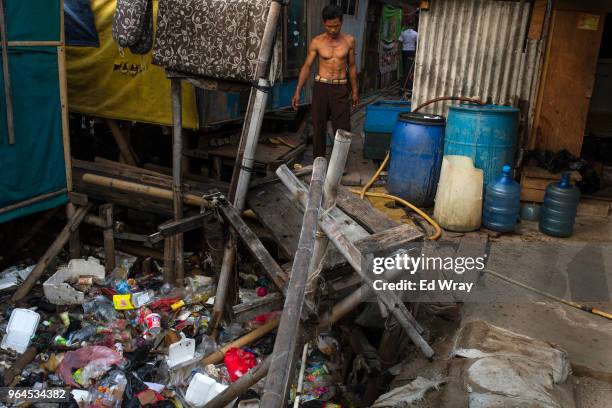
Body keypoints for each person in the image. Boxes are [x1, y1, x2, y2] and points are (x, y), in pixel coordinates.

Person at [291, 5, 359, 158]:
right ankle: (318, 163)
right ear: (324, 23)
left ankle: (339, 165)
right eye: (329, 26)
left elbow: (352, 66)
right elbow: (307, 66)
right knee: (318, 126)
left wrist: (355, 91)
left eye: (336, 26)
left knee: (342, 128)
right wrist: (297, 91)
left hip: (341, 88)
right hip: (321, 87)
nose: (333, 30)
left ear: (341, 22)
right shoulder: (317, 42)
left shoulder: (349, 41)